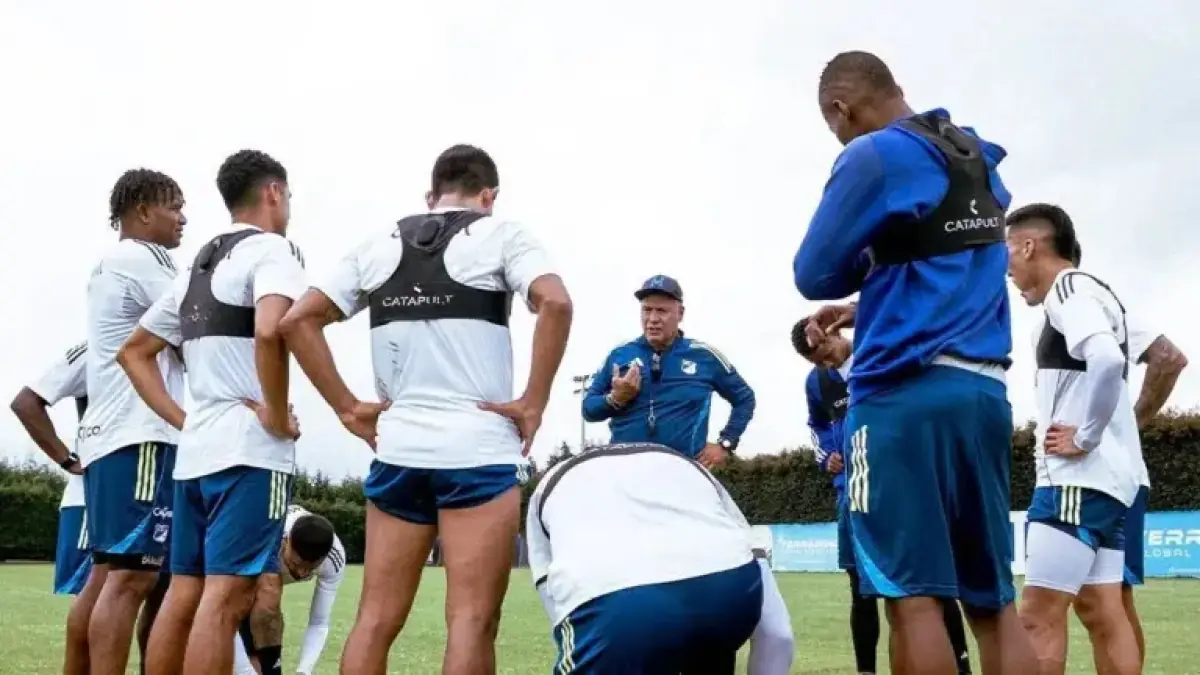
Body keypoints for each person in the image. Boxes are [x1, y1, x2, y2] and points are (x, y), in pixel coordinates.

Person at [276, 143, 573, 675]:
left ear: (430, 196)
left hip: (399, 453)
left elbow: (297, 321)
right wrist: (534, 401)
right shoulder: (503, 234)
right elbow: (555, 301)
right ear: (489, 196)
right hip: (478, 452)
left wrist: (348, 408)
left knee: (374, 620)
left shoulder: (377, 243)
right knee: (471, 621)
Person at [792, 51, 1037, 675]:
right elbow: (942, 263)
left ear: (841, 109)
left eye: (833, 125)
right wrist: (865, 301)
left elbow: (813, 271)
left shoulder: (873, 155)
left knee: (913, 598)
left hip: (901, 399)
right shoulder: (973, 156)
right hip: (983, 394)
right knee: (994, 602)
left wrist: (858, 274)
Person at [119, 149, 305, 675]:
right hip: (249, 453)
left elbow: (133, 353)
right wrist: (275, 415)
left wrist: (186, 421)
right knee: (225, 600)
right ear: (273, 192)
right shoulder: (273, 251)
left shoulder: (197, 266)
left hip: (196, 455)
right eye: (288, 195)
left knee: (184, 593)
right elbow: (270, 330)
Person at [1004, 203, 1147, 675]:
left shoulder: (1069, 289)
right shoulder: (1091, 293)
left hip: (1074, 483)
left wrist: (1085, 437)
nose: (1006, 268)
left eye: (1008, 252)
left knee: (1036, 617)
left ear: (1029, 246)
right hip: (1106, 485)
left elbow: (1107, 359)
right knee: (1104, 612)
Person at [791, 319, 974, 675]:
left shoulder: (879, 355)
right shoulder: (818, 382)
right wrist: (827, 455)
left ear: (835, 332)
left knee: (929, 583)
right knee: (861, 588)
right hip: (852, 494)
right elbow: (816, 424)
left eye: (825, 352)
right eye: (816, 361)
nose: (826, 363)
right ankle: (866, 671)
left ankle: (962, 665)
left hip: (903, 488)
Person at [1056, 238, 1187, 669]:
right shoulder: (1068, 313)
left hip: (1109, 475)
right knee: (1100, 599)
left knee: (1107, 599)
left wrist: (1130, 423)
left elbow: (1169, 358)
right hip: (1102, 474)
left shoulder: (1094, 306)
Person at [526, 442, 764, 673]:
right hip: (731, 590)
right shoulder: (684, 466)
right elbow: (777, 631)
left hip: (614, 605)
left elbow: (551, 594)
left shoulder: (549, 488)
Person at [81, 169, 187, 675]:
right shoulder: (148, 258)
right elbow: (196, 322)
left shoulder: (108, 264)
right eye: (175, 206)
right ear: (143, 210)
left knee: (108, 577)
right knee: (133, 579)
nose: (183, 218)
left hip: (106, 436)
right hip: (140, 433)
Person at [581, 275, 755, 468]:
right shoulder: (619, 354)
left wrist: (726, 443)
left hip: (684, 471)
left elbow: (745, 399)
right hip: (625, 471)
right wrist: (615, 399)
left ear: (680, 313)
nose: (653, 319)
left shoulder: (705, 356)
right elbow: (588, 409)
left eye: (662, 311)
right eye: (647, 310)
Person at [233, 505, 346, 675]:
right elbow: (226, 614)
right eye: (296, 564)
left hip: (269, 564)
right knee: (267, 597)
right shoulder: (261, 539)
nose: (302, 573)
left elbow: (319, 622)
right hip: (241, 560)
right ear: (286, 542)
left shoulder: (334, 558)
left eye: (311, 568)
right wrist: (246, 672)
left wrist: (304, 672)